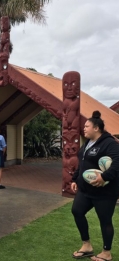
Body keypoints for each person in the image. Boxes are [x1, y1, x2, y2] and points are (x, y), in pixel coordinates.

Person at [71, 111, 119, 261]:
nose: (84, 129)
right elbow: (83, 162)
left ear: (96, 128)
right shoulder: (87, 143)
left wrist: (104, 177)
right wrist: (75, 179)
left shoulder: (109, 143)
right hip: (86, 190)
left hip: (105, 191)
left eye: (87, 126)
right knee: (77, 211)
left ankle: (106, 252)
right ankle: (87, 246)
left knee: (105, 220)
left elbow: (117, 162)